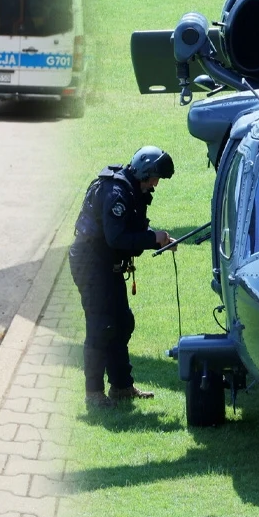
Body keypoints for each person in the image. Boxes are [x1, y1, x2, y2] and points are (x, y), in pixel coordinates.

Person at [70, 146, 176, 409]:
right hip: (92, 265)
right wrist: (153, 238)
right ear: (144, 172)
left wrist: (157, 239)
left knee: (122, 323)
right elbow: (115, 237)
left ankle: (121, 387)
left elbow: (132, 230)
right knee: (100, 328)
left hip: (108, 265)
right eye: (154, 178)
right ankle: (93, 394)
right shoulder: (116, 193)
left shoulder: (132, 190)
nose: (155, 184)